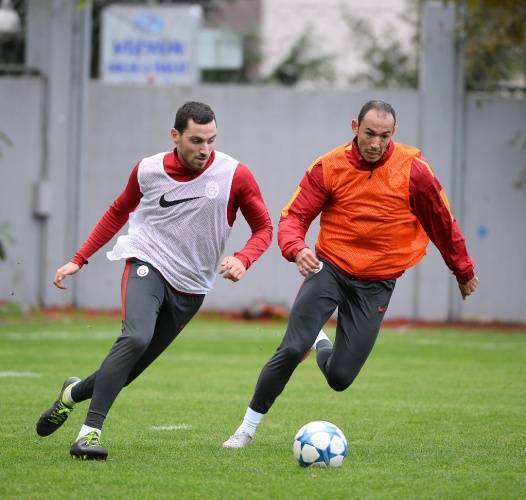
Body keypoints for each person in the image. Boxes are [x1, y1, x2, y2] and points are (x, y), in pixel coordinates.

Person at [223, 100, 479, 449]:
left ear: (394, 133)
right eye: (369, 133)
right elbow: (294, 216)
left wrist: (462, 269)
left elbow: (442, 222)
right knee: (292, 348)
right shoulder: (329, 166)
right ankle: (246, 429)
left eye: (384, 136)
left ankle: (321, 341)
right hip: (329, 268)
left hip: (377, 283)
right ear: (355, 127)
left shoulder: (414, 171)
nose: (376, 143)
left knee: (340, 378)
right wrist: (297, 248)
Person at [36, 101, 273, 460]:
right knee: (135, 337)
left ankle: (70, 395)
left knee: (128, 370)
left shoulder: (234, 175)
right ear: (175, 135)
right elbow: (118, 211)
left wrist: (243, 258)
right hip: (147, 261)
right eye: (196, 140)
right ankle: (89, 434)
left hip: (191, 287)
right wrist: (78, 259)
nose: (205, 149)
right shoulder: (147, 170)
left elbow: (264, 228)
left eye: (211, 140)